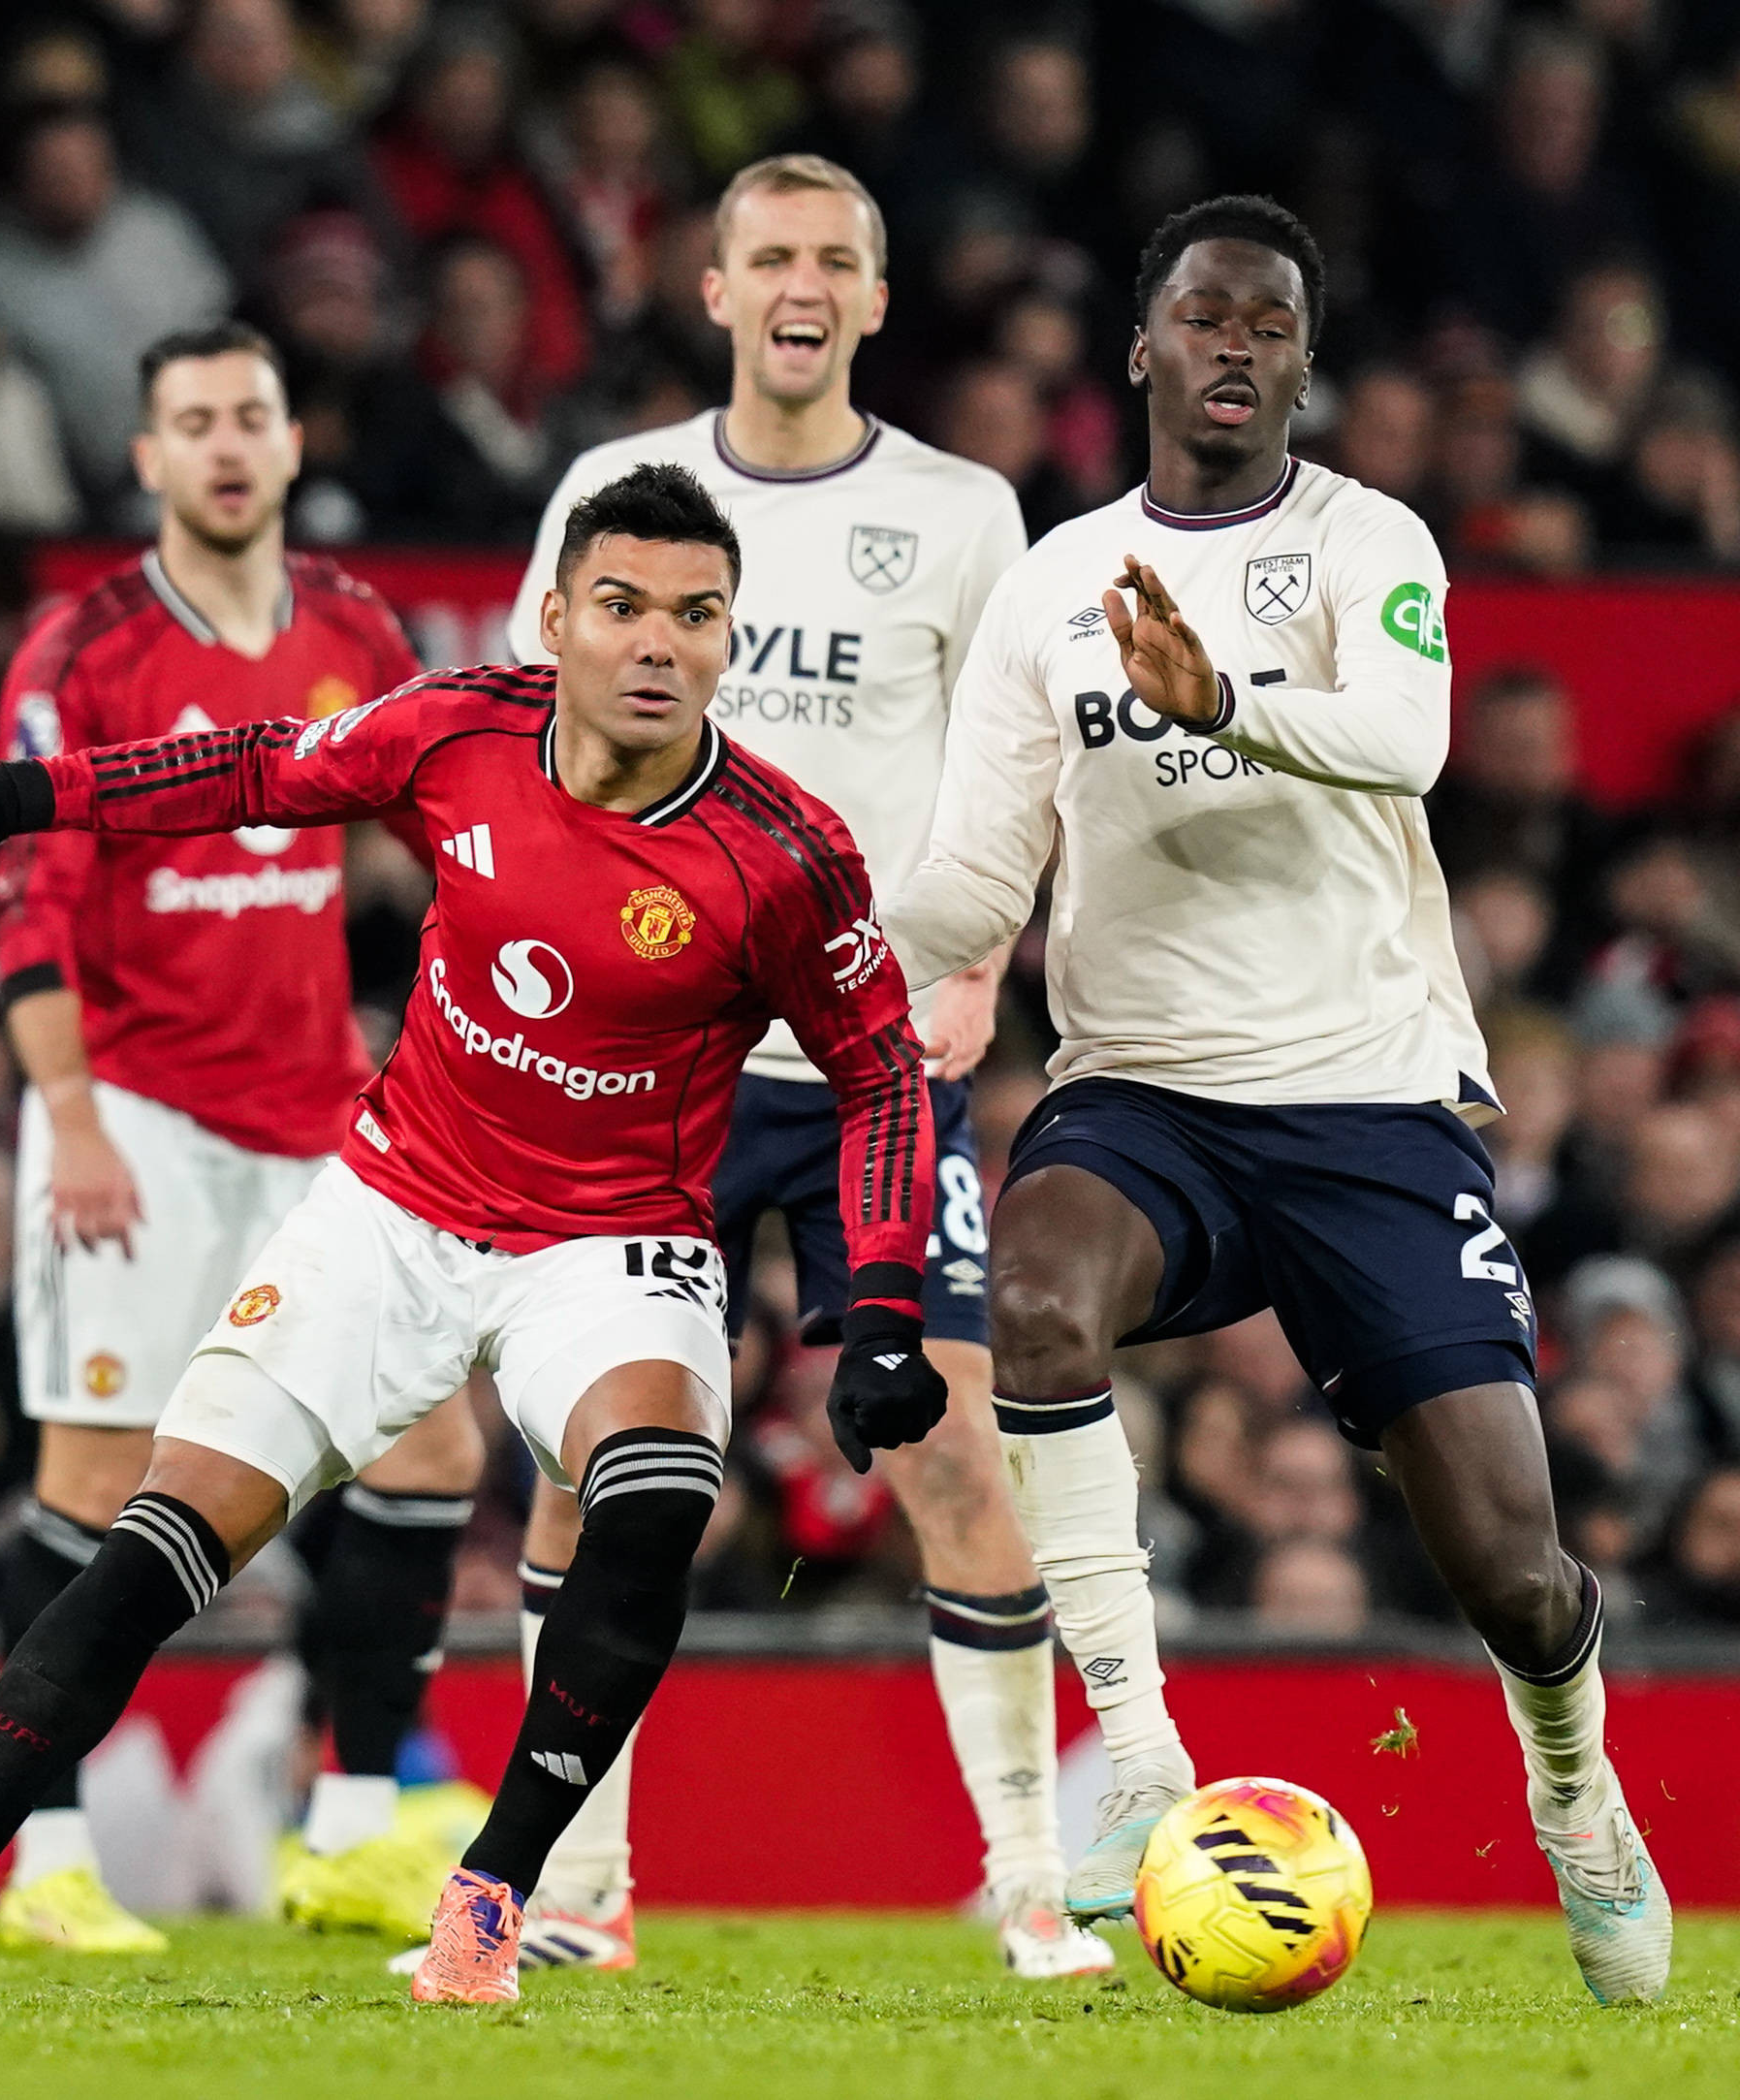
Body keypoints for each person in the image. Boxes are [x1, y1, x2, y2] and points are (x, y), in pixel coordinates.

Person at [0, 462, 943, 2005]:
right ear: (558, 618)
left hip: (612, 1249)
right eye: (621, 607)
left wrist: (882, 1305)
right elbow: (257, 769)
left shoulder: (780, 855)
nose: (658, 642)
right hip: (395, 1207)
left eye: (696, 613)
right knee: (161, 1538)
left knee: (657, 1489)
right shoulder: (460, 727)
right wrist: (29, 795)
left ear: (730, 637)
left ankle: (489, 1894)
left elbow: (881, 1068)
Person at [879, 194, 1671, 2003]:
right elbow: (975, 881)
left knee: (1515, 1573)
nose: (1230, 348)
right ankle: (1140, 1762)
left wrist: (1216, 693)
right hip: (1142, 1092)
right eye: (1199, 317)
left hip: (1368, 1103)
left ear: (1301, 364)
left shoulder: (1362, 540)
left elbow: (1407, 740)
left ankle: (1573, 1790)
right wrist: (829, 911)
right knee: (1029, 1290)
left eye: (1266, 325)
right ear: (1140, 348)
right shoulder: (1046, 587)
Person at [490, 153, 1097, 1981]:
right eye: (768, 254)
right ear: (714, 284)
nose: (799, 282)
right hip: (645, 1058)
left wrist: (984, 955)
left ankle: (1027, 1887)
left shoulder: (965, 511)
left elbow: (1026, 759)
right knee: (581, 1458)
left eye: (834, 255)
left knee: (950, 1450)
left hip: (868, 1059)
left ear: (876, 297)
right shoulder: (615, 496)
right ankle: (574, 1889)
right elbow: (540, 743)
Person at [0, 320, 463, 1959]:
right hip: (135, 1116)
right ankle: (39, 1863)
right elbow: (27, 890)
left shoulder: (353, 624)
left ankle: (352, 1830)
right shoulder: (82, 650)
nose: (228, 445)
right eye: (193, 422)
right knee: (102, 1479)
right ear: (148, 459)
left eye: (250, 415)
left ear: (291, 443)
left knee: (428, 1443)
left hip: (318, 1113)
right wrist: (69, 1121)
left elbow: (437, 822)